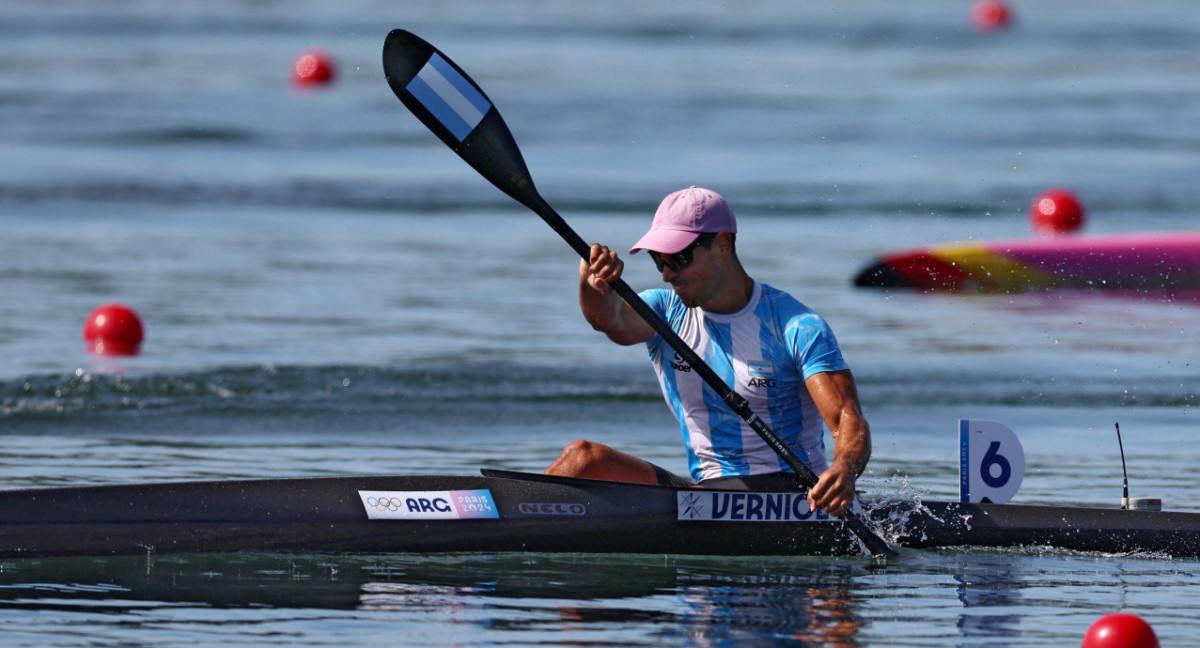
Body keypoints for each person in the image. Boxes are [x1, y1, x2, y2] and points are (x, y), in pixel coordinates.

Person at [544, 186, 872, 517]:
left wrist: (844, 467)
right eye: (660, 261)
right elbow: (609, 320)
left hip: (794, 496)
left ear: (722, 244)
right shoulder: (664, 313)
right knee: (582, 457)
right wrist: (593, 284)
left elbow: (847, 418)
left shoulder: (796, 326)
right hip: (708, 496)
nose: (669, 273)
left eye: (680, 258)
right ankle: (509, 518)